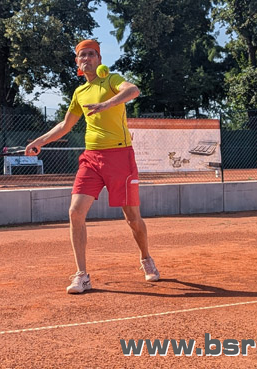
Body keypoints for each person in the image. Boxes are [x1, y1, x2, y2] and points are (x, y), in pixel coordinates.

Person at [25, 39, 159, 294]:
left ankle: (145, 257)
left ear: (99, 59)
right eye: (82, 55)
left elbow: (133, 90)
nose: (86, 58)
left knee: (132, 218)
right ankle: (82, 275)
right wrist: (39, 141)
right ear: (77, 62)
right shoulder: (79, 93)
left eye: (91, 54)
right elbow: (65, 125)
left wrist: (107, 104)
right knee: (75, 212)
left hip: (120, 156)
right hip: (91, 158)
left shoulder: (111, 80)